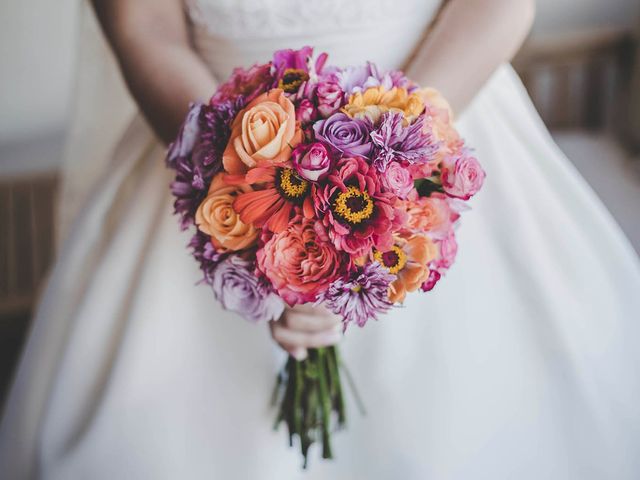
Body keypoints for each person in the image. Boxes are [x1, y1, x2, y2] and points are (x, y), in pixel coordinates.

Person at [2, 0, 640, 478]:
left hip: (437, 123)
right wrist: (253, 196)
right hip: (208, 143)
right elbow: (144, 26)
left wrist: (395, 159)